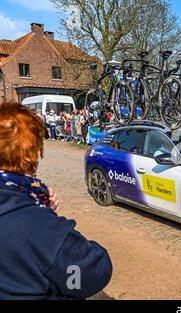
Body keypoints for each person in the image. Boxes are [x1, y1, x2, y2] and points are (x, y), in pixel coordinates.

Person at [0, 101, 112, 299]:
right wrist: (42, 216)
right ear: (32, 152)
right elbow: (90, 274)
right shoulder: (35, 223)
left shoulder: (26, 200)